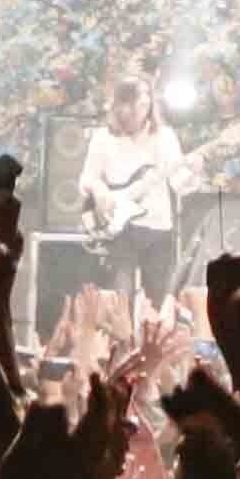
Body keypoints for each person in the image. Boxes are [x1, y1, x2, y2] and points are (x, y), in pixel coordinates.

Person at [73, 72, 185, 316]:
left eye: (144, 104)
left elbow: (179, 183)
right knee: (118, 299)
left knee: (157, 300)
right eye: (131, 104)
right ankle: (119, 349)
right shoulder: (103, 138)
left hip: (157, 226)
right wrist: (100, 191)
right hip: (119, 229)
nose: (137, 111)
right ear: (119, 105)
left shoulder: (165, 137)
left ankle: (152, 350)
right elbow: (87, 178)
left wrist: (193, 171)